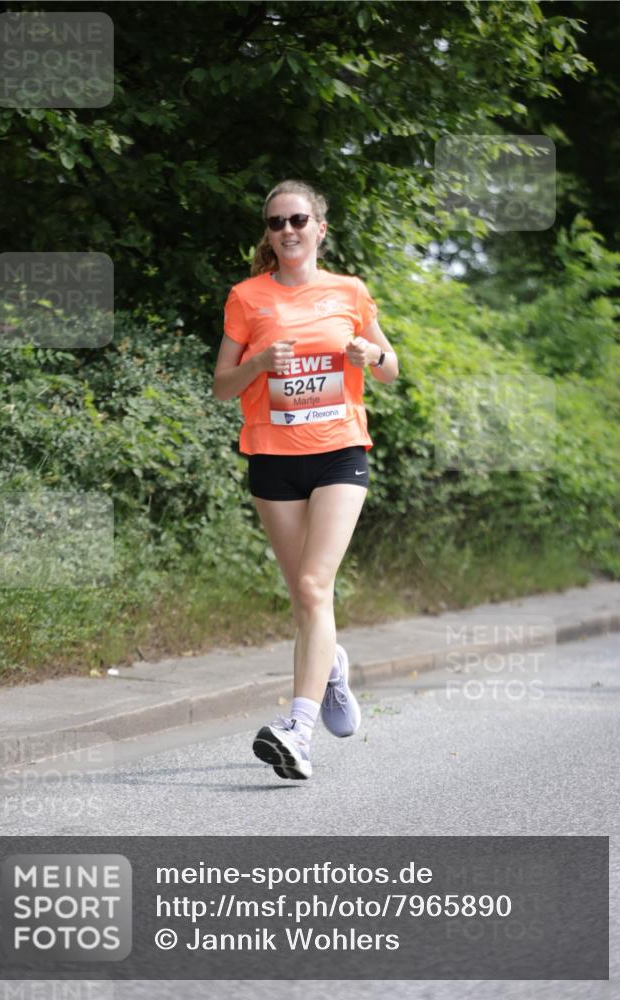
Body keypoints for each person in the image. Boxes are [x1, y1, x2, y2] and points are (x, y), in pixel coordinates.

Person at [212, 179, 398, 780]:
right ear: (268, 234)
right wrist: (259, 364)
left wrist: (371, 357)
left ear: (320, 227)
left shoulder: (350, 291)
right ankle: (334, 667)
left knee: (316, 584)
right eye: (275, 223)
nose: (287, 231)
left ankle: (298, 732)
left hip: (340, 451)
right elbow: (221, 386)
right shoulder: (247, 297)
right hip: (272, 457)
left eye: (297, 220)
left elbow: (391, 368)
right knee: (306, 599)